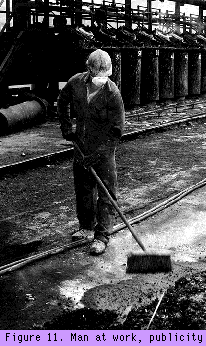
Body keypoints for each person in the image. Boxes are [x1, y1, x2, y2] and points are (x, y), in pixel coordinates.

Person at [57, 49, 125, 255]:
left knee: (106, 192)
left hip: (103, 149)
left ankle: (102, 236)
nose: (102, 80)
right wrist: (66, 127)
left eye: (105, 77)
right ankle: (86, 226)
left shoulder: (112, 93)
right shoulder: (76, 83)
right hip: (81, 145)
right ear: (89, 70)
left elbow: (117, 130)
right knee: (83, 188)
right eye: (98, 76)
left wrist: (101, 153)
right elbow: (62, 101)